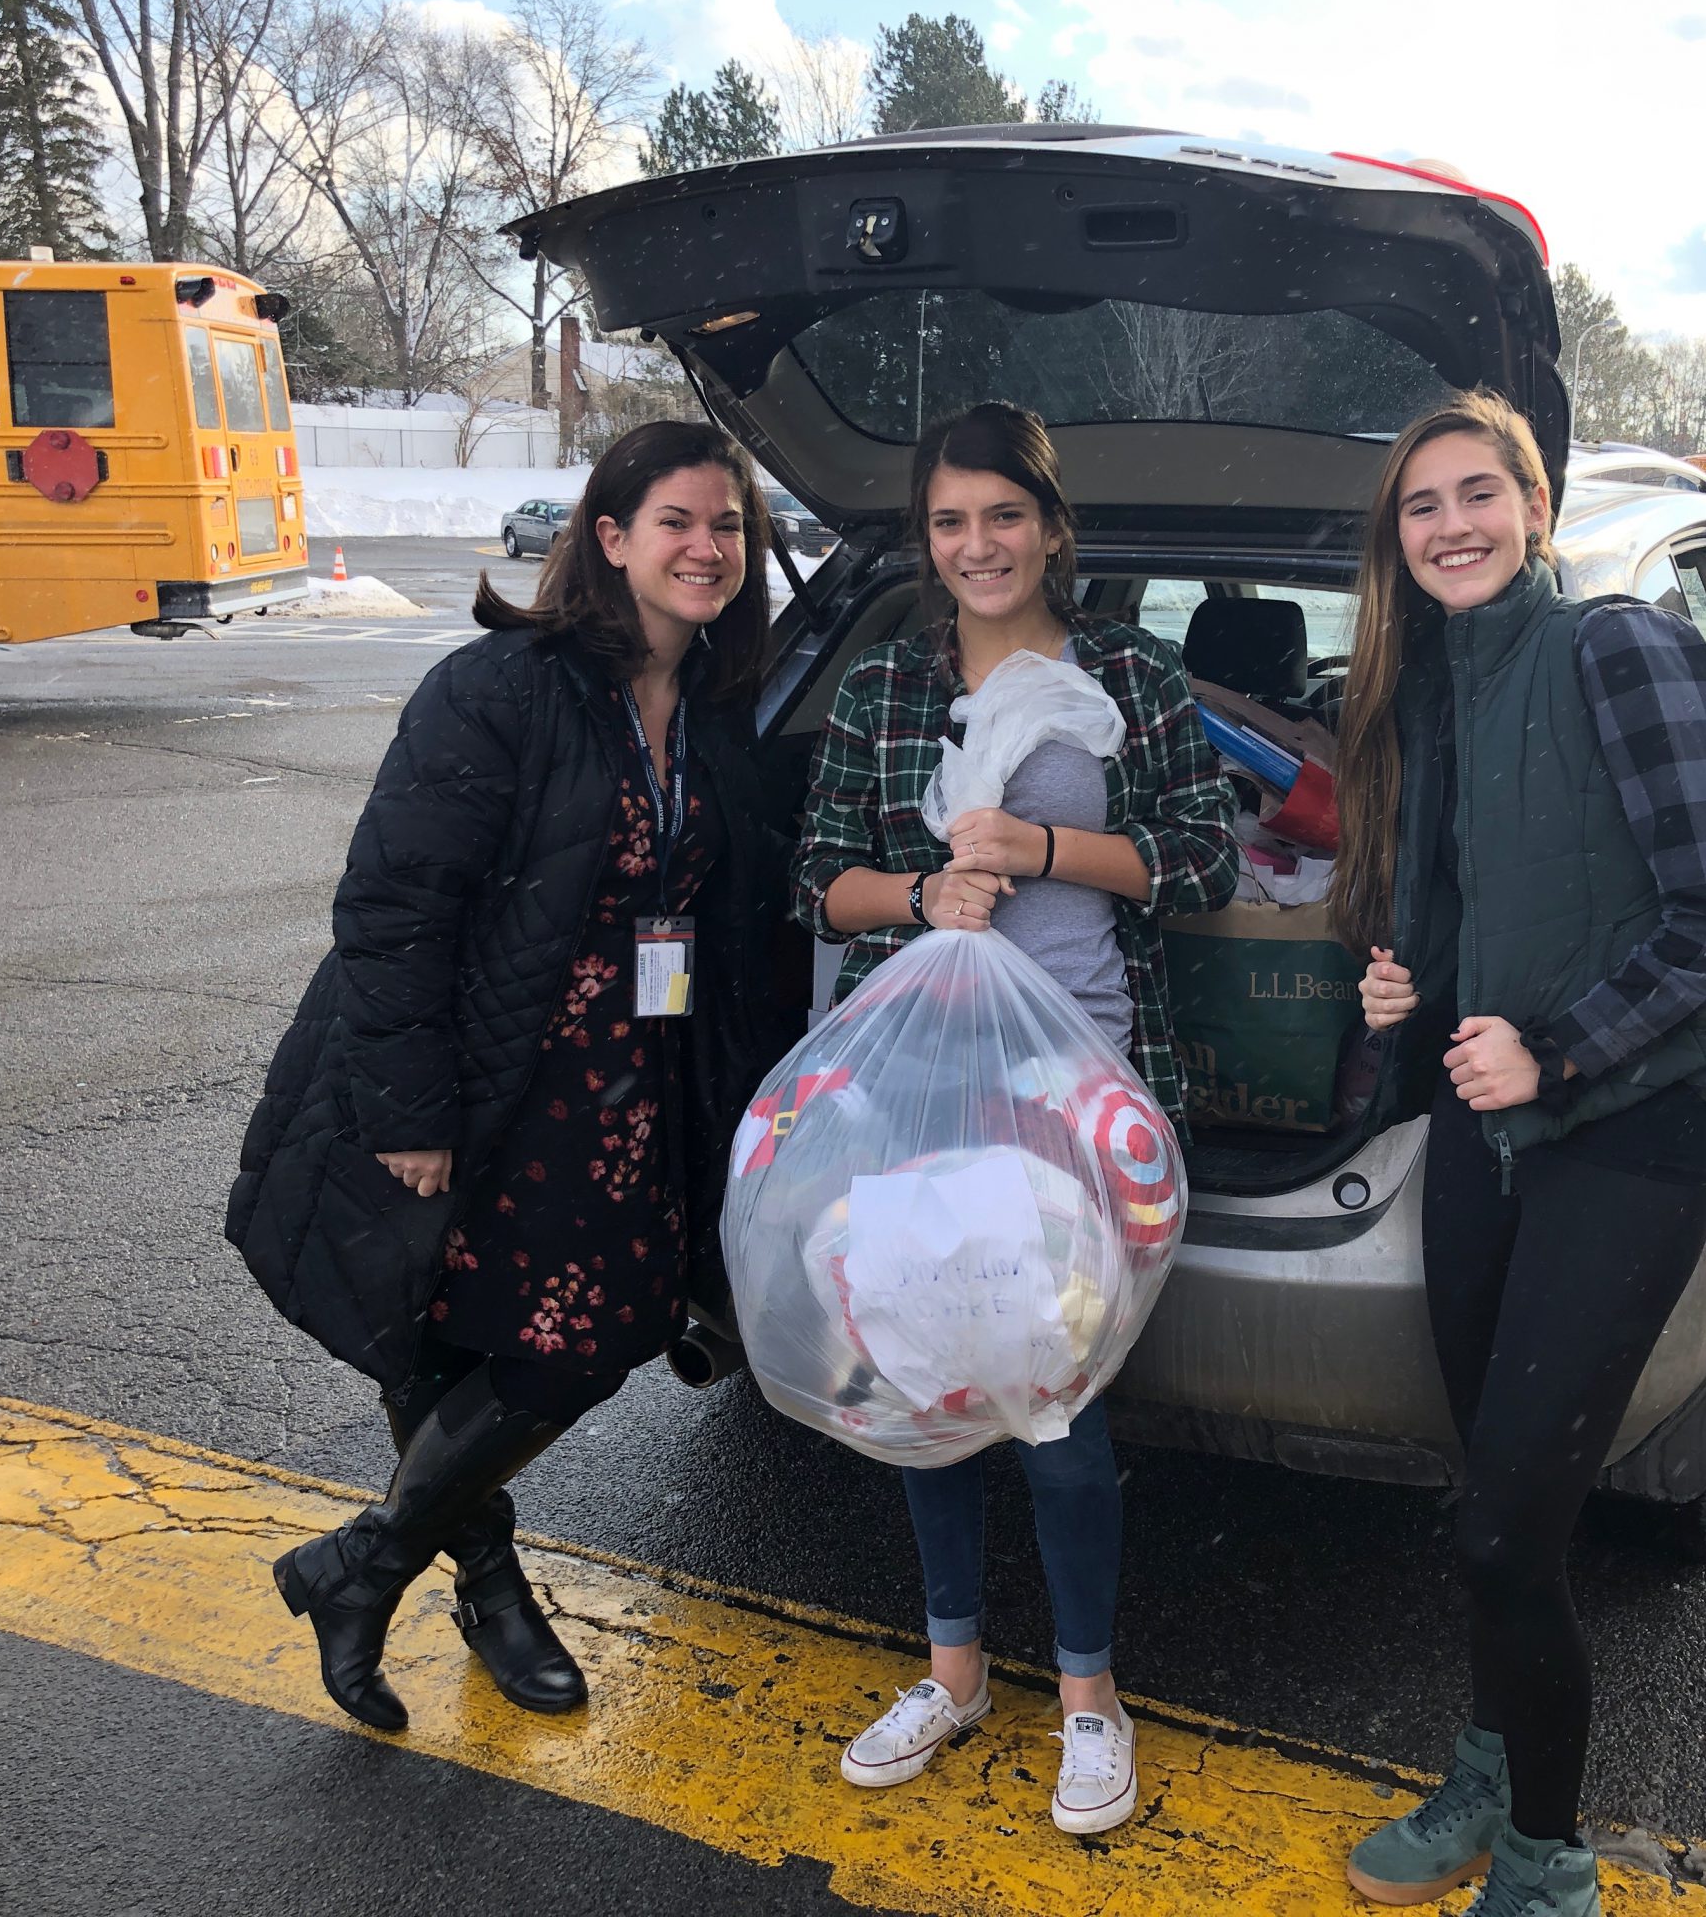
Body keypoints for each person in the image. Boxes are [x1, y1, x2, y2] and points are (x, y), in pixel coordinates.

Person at [226, 421, 793, 1734]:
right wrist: (412, 1110)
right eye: (678, 523)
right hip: (486, 1082)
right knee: (495, 1345)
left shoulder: (715, 707)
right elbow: (391, 906)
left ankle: (371, 1569)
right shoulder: (505, 686)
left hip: (625, 1088)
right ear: (610, 537)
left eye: (730, 527)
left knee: (574, 1336)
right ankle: (460, 1580)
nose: (708, 548)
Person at [1332, 391, 1706, 1914]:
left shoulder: (1617, 647)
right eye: (1421, 506)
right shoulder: (1437, 691)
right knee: (1494, 1502)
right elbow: (1494, 925)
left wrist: (1562, 1044)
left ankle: (1548, 1858)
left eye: (1480, 494)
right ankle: (1491, 1758)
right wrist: (1417, 994)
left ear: (1535, 505)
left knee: (1512, 1521)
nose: (1451, 525)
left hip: (1629, 1140)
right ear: (1395, 541)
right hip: (1490, 1144)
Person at [790, 401, 1237, 1834]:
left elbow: (1208, 860)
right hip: (922, 1090)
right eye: (948, 521)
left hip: (1082, 1088)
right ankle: (955, 1672)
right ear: (927, 542)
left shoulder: (1130, 677)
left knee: (1060, 1409)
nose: (976, 544)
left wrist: (1042, 847)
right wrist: (923, 895)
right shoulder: (884, 695)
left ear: (1050, 526)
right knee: (930, 1382)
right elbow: (825, 878)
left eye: (1002, 515)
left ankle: (1091, 1699)